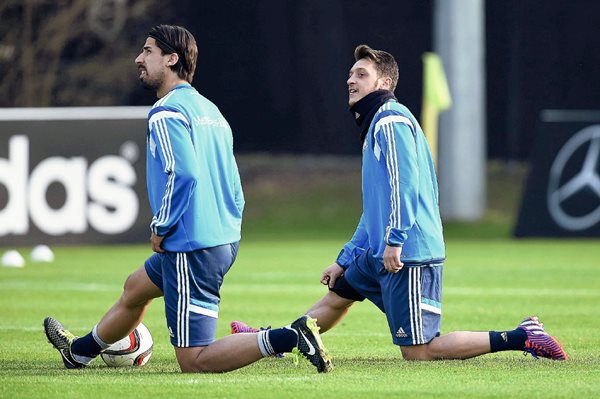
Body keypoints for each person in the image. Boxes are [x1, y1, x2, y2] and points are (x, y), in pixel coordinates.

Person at [232, 44, 568, 362]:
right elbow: (376, 209)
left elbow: (402, 186)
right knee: (336, 297)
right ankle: (274, 340)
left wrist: (396, 240)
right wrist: (346, 259)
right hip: (381, 251)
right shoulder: (378, 121)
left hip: (406, 253)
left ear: (385, 82)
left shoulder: (390, 120)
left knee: (421, 351)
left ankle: (521, 335)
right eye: (350, 74)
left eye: (362, 74)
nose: (351, 80)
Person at [44, 24, 333, 373]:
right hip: (221, 238)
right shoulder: (211, 112)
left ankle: (288, 337)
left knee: (194, 360)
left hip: (190, 245)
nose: (139, 58)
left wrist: (161, 225)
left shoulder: (166, 112)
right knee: (136, 288)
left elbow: (184, 174)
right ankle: (79, 353)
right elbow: (234, 185)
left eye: (147, 51)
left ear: (171, 59)